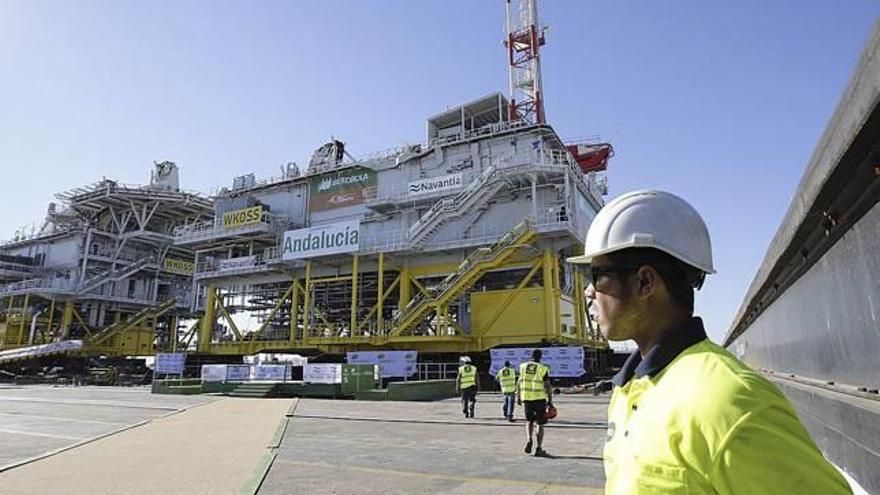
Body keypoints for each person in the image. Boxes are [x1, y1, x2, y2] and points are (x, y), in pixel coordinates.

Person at [567, 190, 851, 494]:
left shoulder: (727, 401)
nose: (588, 292)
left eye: (596, 276)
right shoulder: (628, 391)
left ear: (645, 282)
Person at [517, 349, 553, 457]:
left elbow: (519, 382)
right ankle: (539, 448)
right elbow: (547, 386)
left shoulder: (523, 367)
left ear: (531, 356)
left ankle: (529, 439)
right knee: (540, 424)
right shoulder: (543, 368)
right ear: (540, 357)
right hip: (539, 399)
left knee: (529, 421)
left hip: (526, 398)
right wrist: (550, 400)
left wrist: (518, 396)